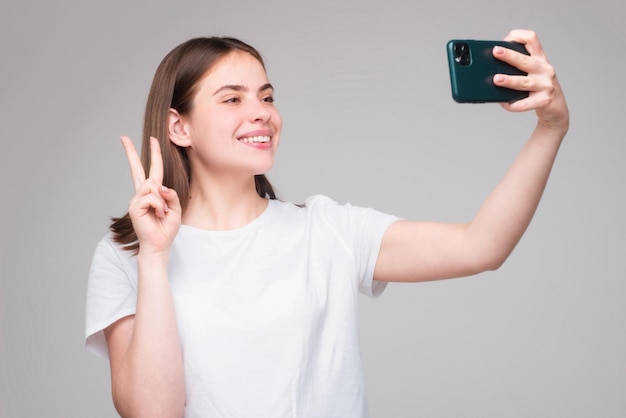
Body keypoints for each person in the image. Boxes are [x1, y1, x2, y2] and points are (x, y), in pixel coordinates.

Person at [85, 30, 569, 417]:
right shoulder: (126, 255)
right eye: (232, 99)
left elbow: (479, 247)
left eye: (266, 96)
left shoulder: (326, 230)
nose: (262, 114)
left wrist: (550, 129)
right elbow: (153, 412)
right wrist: (154, 256)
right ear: (178, 127)